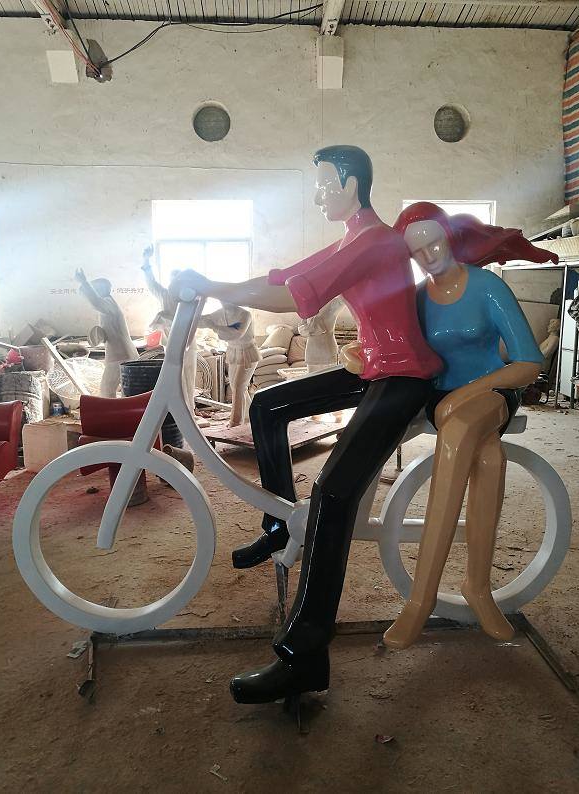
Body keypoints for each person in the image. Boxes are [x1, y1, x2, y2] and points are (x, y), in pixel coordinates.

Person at [171, 146, 442, 703]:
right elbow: (286, 276)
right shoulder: (351, 239)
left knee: (333, 494)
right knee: (267, 406)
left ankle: (305, 654)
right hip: (371, 367)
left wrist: (213, 286)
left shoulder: (375, 241)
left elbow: (293, 296)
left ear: (350, 184)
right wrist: (217, 285)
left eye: (323, 185)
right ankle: (279, 524)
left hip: (403, 377)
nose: (318, 196)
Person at [382, 202, 557, 649]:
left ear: (449, 237)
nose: (428, 256)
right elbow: (403, 352)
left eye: (434, 243)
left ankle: (420, 601)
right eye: (416, 251)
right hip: (438, 396)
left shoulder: (487, 286)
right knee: (490, 458)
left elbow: (529, 363)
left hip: (492, 391)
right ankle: (476, 587)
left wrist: (463, 396)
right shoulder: (416, 298)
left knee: (459, 434)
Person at [141, 246, 198, 412]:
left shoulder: (190, 298)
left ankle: (190, 411)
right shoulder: (165, 295)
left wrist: (165, 317)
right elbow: (151, 283)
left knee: (189, 378)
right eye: (173, 280)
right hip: (171, 345)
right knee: (176, 379)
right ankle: (180, 412)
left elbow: (194, 321)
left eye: (179, 280)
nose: (175, 284)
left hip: (188, 344)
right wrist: (146, 260)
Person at [74, 268, 139, 398]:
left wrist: (84, 282)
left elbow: (95, 302)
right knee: (124, 390)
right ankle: (121, 409)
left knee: (106, 389)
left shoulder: (108, 303)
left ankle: (112, 410)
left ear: (102, 290)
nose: (95, 292)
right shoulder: (109, 304)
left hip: (120, 356)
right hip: (123, 354)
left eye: (95, 289)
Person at [199, 304, 261, 427]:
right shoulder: (220, 313)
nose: (224, 301)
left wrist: (214, 326)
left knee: (239, 386)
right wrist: (185, 316)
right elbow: (202, 321)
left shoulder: (245, 314)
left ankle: (235, 422)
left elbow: (237, 333)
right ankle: (250, 416)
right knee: (235, 386)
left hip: (247, 352)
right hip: (233, 351)